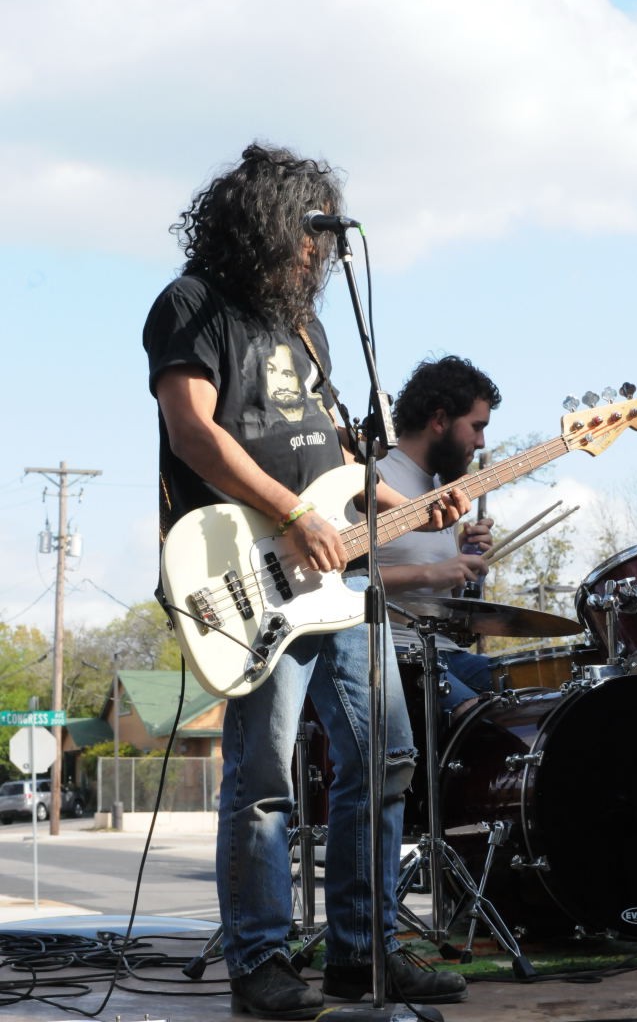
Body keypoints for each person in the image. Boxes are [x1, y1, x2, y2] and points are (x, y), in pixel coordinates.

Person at [143, 143, 470, 1020]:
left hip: (336, 577)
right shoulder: (192, 305)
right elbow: (193, 433)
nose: (315, 253)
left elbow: (339, 461)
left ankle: (363, 953)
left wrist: (409, 504)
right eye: (303, 233)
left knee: (386, 757)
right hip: (248, 570)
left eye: (321, 240)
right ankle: (260, 961)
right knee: (264, 777)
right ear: (262, 225)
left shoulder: (308, 329)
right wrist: (289, 515)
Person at [377, 356, 502, 722]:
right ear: (440, 420)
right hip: (394, 655)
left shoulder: (440, 489)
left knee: (538, 697)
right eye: (476, 427)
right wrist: (433, 573)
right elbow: (336, 583)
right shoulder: (373, 478)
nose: (481, 442)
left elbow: (444, 600)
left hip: (448, 652)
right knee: (479, 721)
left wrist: (463, 562)